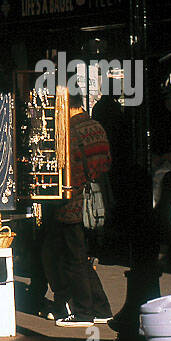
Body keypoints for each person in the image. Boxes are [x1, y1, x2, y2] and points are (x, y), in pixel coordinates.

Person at [44, 91, 113, 327]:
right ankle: (102, 307)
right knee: (83, 257)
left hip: (74, 202)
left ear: (65, 106)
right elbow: (106, 162)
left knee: (73, 259)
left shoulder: (69, 133)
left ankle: (84, 312)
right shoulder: (97, 127)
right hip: (96, 202)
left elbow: (65, 170)